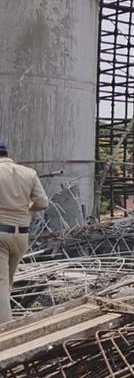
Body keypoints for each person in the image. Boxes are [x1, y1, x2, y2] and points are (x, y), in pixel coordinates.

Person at [0, 138, 49, 324]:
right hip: (21, 236)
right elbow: (43, 203)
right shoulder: (28, 173)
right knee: (6, 285)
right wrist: (25, 207)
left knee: (1, 285)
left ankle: (5, 333)